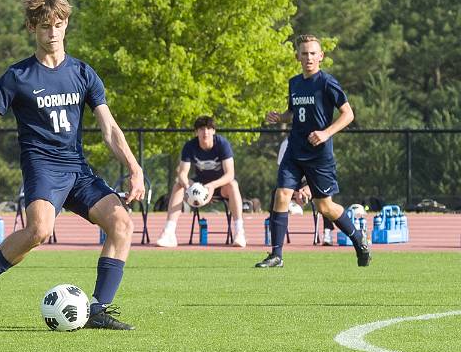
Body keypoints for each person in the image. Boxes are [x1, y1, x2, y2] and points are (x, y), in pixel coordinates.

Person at [0, 0, 144, 330]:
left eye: (59, 25)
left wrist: (134, 169)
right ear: (33, 28)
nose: (53, 32)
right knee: (39, 230)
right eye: (45, 26)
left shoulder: (82, 72)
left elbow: (109, 128)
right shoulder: (17, 77)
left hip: (77, 169)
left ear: (66, 26)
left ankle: (98, 310)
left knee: (122, 224)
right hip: (42, 168)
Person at [256, 35, 371, 268]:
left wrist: (326, 133)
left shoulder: (327, 82)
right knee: (282, 195)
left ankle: (358, 239)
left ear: (321, 56)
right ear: (297, 56)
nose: (308, 57)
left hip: (319, 155)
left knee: (324, 207)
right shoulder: (294, 83)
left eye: (312, 53)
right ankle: (276, 255)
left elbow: (348, 115)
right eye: (304, 53)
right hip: (294, 150)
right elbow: (293, 112)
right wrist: (280, 117)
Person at [156, 116, 247, 248]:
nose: (206, 132)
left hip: (219, 185)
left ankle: (239, 232)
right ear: (196, 132)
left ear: (214, 131)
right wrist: (188, 187)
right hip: (198, 185)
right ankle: (169, 233)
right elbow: (182, 173)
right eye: (202, 129)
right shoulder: (190, 146)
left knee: (233, 184)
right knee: (178, 185)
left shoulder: (222, 144)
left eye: (209, 129)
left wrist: (211, 186)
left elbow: (230, 174)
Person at [275, 138, 336, 245]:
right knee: (277, 194)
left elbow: (321, 173)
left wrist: (309, 187)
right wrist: (295, 190)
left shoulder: (318, 141)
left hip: (312, 181)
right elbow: (284, 172)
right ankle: (274, 235)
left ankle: (327, 231)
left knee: (325, 197)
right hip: (293, 183)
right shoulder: (286, 144)